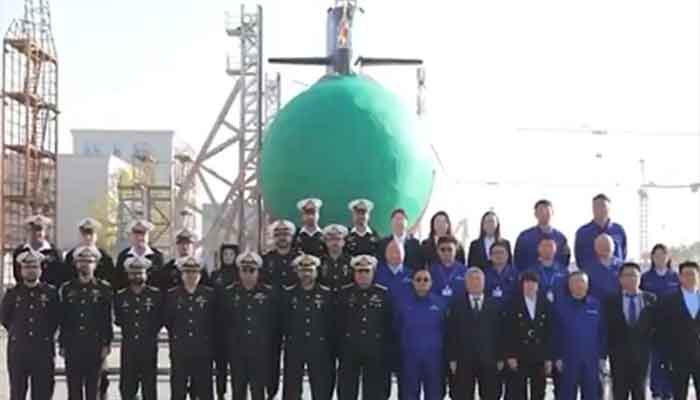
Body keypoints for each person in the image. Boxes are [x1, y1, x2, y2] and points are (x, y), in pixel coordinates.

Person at [219, 251, 280, 400]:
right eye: (244, 270)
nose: (248, 274)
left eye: (252, 270)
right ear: (239, 272)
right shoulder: (229, 293)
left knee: (258, 392)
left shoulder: (269, 293)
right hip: (237, 352)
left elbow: (275, 324)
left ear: (258, 271)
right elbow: (223, 323)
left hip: (260, 352)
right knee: (238, 391)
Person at [1, 251, 60, 400]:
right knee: (17, 393)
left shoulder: (50, 293)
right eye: (27, 267)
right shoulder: (12, 293)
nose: (31, 270)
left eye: (34, 267)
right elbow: (5, 318)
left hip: (42, 350)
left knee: (42, 393)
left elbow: (56, 319)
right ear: (21, 270)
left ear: (40, 270)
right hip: (19, 351)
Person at [59, 246, 114, 400]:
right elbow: (63, 318)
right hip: (73, 346)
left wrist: (107, 343)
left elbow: (107, 319)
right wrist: (62, 344)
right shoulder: (67, 289)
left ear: (95, 265)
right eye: (82, 261)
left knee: (93, 391)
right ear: (76, 264)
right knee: (74, 391)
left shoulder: (104, 289)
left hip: (95, 346)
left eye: (89, 261)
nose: (85, 265)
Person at [336, 254, 393, 400]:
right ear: (354, 273)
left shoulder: (383, 293)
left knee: (374, 391)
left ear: (373, 272)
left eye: (367, 271)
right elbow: (337, 323)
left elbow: (388, 324)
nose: (363, 275)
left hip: (375, 349)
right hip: (349, 349)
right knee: (347, 391)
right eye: (359, 271)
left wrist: (387, 349)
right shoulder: (344, 293)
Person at [281, 254, 334, 400]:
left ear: (316, 272)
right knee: (292, 389)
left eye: (310, 270)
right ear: (297, 272)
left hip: (319, 347)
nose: (306, 274)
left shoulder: (326, 294)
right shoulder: (289, 293)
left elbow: (331, 322)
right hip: (295, 346)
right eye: (303, 270)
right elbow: (283, 320)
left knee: (320, 388)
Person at [447, 267, 504, 400]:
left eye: (478, 279)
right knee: (462, 395)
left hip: (489, 360)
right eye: (471, 280)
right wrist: (452, 358)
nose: (475, 283)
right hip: (464, 361)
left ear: (484, 282)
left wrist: (501, 357)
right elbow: (451, 334)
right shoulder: (457, 306)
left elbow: (500, 333)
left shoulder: (494, 305)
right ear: (466, 283)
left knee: (491, 395)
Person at [164, 256, 216, 400]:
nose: (191, 276)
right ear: (182, 274)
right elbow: (168, 321)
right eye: (187, 272)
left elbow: (214, 321)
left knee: (204, 391)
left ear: (200, 274)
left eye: (194, 272)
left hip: (203, 350)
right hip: (180, 350)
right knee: (178, 390)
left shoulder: (209, 295)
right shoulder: (172, 295)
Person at [604, 262, 656, 400]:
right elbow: (606, 329)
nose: (631, 278)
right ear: (620, 279)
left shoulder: (650, 299)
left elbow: (655, 327)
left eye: (634, 275)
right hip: (618, 356)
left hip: (642, 357)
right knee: (619, 393)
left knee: (640, 393)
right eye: (627, 275)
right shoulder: (611, 301)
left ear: (640, 278)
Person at [114, 256, 164, 400]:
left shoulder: (156, 295)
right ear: (128, 275)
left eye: (140, 272)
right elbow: (119, 320)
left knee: (149, 389)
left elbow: (159, 319)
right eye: (133, 273)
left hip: (149, 347)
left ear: (146, 274)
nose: (137, 276)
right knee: (127, 388)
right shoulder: (121, 296)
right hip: (129, 348)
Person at [553, 271, 607, 400]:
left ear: (587, 285)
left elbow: (603, 332)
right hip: (568, 359)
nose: (579, 285)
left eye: (582, 281)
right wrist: (557, 356)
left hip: (591, 360)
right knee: (566, 395)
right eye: (575, 282)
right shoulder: (559, 306)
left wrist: (603, 356)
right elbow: (554, 333)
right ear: (569, 285)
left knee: (592, 395)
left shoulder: (596, 305)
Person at [394, 269, 447, 400]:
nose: (422, 282)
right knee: (409, 396)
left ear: (431, 282)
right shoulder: (402, 303)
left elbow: (446, 331)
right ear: (413, 282)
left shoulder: (440, 303)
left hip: (434, 360)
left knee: (435, 395)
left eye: (426, 280)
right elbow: (396, 329)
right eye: (418, 279)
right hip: (409, 359)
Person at [503, 271, 553, 400]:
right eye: (526, 283)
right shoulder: (513, 303)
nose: (530, 286)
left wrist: (548, 358)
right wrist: (510, 355)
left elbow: (549, 332)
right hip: (519, 354)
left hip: (539, 355)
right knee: (518, 392)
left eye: (533, 283)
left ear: (538, 285)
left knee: (539, 391)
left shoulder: (545, 303)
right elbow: (507, 331)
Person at [640, 244, 678, 400]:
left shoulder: (675, 277)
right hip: (652, 325)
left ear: (668, 257)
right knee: (655, 360)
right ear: (652, 258)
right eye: (656, 255)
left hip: (672, 326)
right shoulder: (646, 278)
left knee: (670, 361)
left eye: (663, 255)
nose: (660, 258)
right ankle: (656, 392)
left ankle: (669, 393)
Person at [657, 261, 700, 400]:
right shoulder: (669, 300)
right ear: (680, 277)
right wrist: (666, 356)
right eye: (686, 274)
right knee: (679, 394)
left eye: (693, 274)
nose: (690, 277)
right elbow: (662, 330)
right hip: (678, 357)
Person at [210, 243, 240, 400]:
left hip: (236, 327)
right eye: (225, 254)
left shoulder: (240, 274)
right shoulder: (215, 275)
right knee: (220, 365)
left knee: (236, 366)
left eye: (231, 254)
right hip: (218, 327)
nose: (228, 257)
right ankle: (220, 393)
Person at [12, 214, 70, 287]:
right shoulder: (20, 251)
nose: (36, 233)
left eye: (39, 230)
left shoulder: (55, 252)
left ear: (45, 232)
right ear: (28, 231)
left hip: (49, 292)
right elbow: (17, 275)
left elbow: (61, 276)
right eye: (32, 230)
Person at [514, 200, 571, 270]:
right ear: (535, 214)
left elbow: (565, 261)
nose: (544, 213)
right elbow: (518, 260)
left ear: (552, 213)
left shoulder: (561, 238)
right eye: (541, 211)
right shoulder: (525, 237)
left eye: (547, 211)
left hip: (554, 275)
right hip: (530, 275)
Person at [574, 194, 627, 268]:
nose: (599, 209)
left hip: (615, 272)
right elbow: (579, 258)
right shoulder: (582, 233)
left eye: (603, 206)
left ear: (609, 208)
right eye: (596, 206)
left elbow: (623, 254)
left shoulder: (618, 230)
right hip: (591, 273)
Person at [114, 220, 165, 291]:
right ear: (130, 235)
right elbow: (118, 282)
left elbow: (162, 282)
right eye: (136, 233)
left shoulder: (157, 256)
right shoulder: (123, 256)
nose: (140, 237)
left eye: (144, 233)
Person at [64, 218, 115, 286]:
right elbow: (65, 277)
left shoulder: (105, 256)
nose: (88, 237)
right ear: (79, 235)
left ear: (96, 235)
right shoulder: (71, 255)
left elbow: (111, 279)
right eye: (84, 234)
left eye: (91, 234)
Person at [527, 236, 569, 304]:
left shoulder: (563, 271)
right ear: (538, 249)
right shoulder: (531, 271)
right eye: (544, 246)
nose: (547, 249)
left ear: (555, 249)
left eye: (550, 246)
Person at [262, 220, 302, 289]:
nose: (281, 238)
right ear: (273, 237)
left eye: (285, 234)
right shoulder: (265, 259)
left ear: (292, 236)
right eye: (277, 235)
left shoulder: (301, 258)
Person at [585, 234, 622, 302]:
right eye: (601, 245)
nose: (605, 247)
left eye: (608, 244)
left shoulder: (623, 266)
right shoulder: (588, 269)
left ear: (613, 247)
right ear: (595, 248)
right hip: (598, 304)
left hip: (617, 304)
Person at [429, 235, 467, 303]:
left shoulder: (464, 271)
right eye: (442, 250)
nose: (446, 253)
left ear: (456, 250)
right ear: (437, 251)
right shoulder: (431, 270)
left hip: (459, 307)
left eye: (450, 249)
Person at [319, 224, 353, 292]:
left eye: (338, 239)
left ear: (343, 242)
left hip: (346, 296)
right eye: (331, 239)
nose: (334, 242)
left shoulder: (351, 261)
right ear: (326, 242)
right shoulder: (320, 261)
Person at [484, 241, 519, 307]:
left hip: (511, 310)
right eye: (495, 253)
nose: (499, 255)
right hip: (490, 309)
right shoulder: (484, 275)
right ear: (490, 256)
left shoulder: (516, 274)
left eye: (501, 252)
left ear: (507, 255)